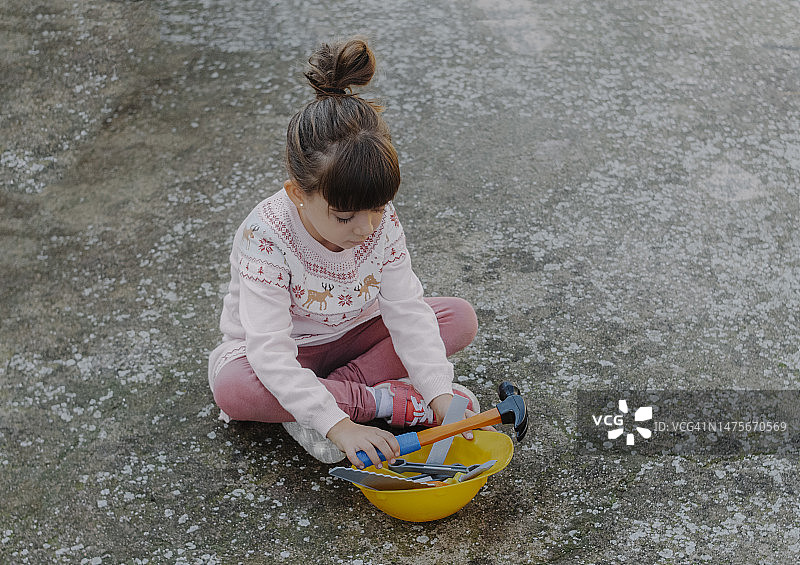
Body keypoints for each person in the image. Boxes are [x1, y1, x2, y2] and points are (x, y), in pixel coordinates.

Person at [207, 37, 483, 469]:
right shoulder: (267, 235)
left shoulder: (379, 220)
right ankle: (375, 401)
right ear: (298, 193)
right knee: (234, 388)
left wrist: (441, 398)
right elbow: (270, 352)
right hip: (287, 350)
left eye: (375, 210)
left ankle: (318, 399)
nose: (365, 229)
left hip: (355, 336)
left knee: (457, 317)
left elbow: (406, 310)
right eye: (344, 217)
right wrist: (341, 426)